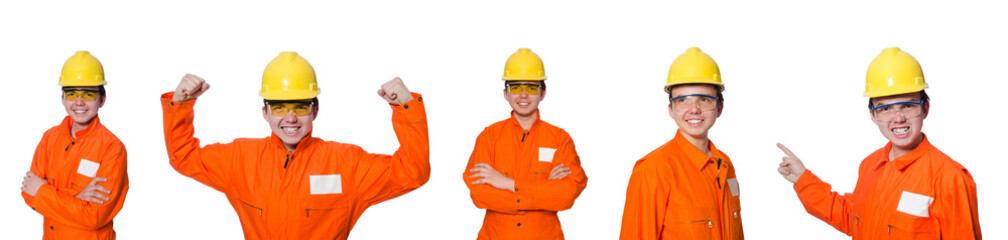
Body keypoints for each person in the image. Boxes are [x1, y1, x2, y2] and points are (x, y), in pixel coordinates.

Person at [161, 52, 429, 239]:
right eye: (279, 106)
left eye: (300, 106)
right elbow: (184, 157)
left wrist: (405, 108)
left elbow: (412, 172)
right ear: (265, 113)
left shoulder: (347, 164)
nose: (290, 117)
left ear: (315, 111)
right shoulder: (240, 159)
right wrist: (181, 103)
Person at [776, 47, 981, 239]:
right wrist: (802, 178)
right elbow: (851, 217)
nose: (898, 118)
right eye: (885, 108)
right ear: (873, 115)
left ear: (925, 109)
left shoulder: (950, 179)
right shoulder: (870, 165)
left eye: (908, 105)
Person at [463, 48, 588, 239]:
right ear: (505, 93)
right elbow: (480, 196)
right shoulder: (489, 137)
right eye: (515, 87)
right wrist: (544, 191)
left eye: (531, 88)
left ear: (543, 93)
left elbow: (566, 196)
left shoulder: (560, 139)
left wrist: (507, 184)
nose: (523, 95)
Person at [620, 47, 743, 239]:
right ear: (671, 109)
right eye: (683, 100)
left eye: (704, 99)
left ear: (719, 107)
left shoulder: (725, 166)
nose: (694, 109)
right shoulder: (653, 170)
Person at [21, 51, 129, 239]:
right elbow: (28, 194)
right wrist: (78, 198)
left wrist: (43, 191)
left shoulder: (112, 148)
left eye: (88, 94)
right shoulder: (49, 138)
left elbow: (94, 216)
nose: (79, 102)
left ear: (102, 100)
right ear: (63, 99)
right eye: (71, 94)